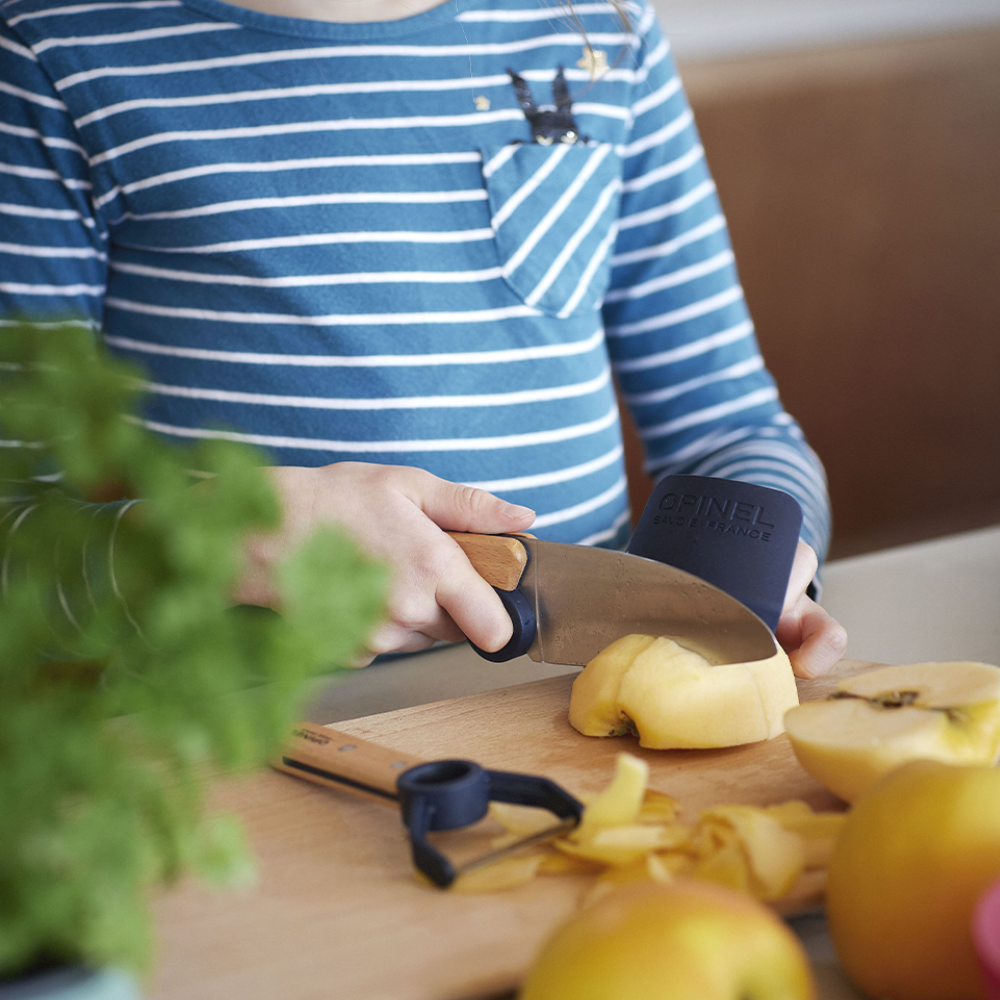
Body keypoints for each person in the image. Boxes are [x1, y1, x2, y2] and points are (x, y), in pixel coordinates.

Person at [0, 0, 847, 677]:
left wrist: (768, 553)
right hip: (236, 747)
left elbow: (733, 430)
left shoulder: (602, 31)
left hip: (571, 705)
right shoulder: (49, 47)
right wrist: (217, 540)